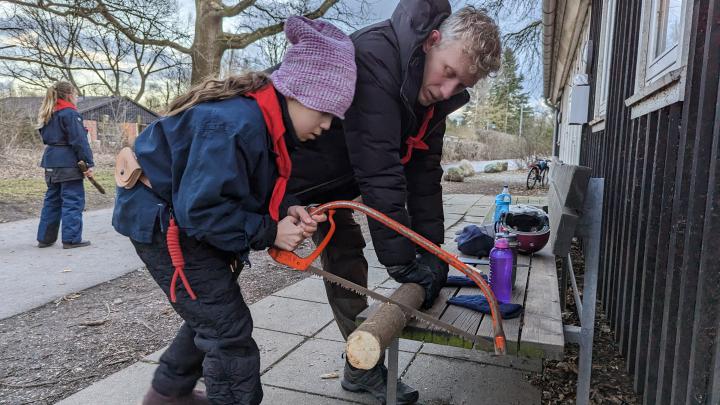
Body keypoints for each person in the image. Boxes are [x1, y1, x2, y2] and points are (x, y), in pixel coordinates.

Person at [111, 16, 356, 405]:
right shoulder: (234, 125)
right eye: (325, 112)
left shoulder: (264, 121)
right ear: (297, 92)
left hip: (183, 216)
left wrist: (288, 208)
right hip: (165, 223)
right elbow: (202, 212)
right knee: (228, 332)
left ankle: (167, 395)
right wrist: (271, 232)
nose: (327, 125)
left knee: (211, 315)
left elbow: (249, 182)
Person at [285, 1, 502, 403]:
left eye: (461, 85)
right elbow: (380, 169)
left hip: (330, 186)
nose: (447, 90)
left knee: (346, 255)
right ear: (432, 41)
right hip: (286, 172)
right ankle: (180, 376)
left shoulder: (432, 95)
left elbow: (423, 177)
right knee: (219, 272)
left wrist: (432, 254)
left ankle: (360, 368)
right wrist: (403, 261)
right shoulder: (377, 57)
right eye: (448, 73)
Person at [36, 81, 95, 249]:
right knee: (72, 200)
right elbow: (79, 141)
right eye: (75, 94)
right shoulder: (69, 113)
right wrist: (88, 163)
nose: (76, 97)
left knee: (52, 200)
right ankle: (71, 239)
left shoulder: (47, 113)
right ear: (69, 94)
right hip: (67, 162)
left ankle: (45, 239)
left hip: (50, 161)